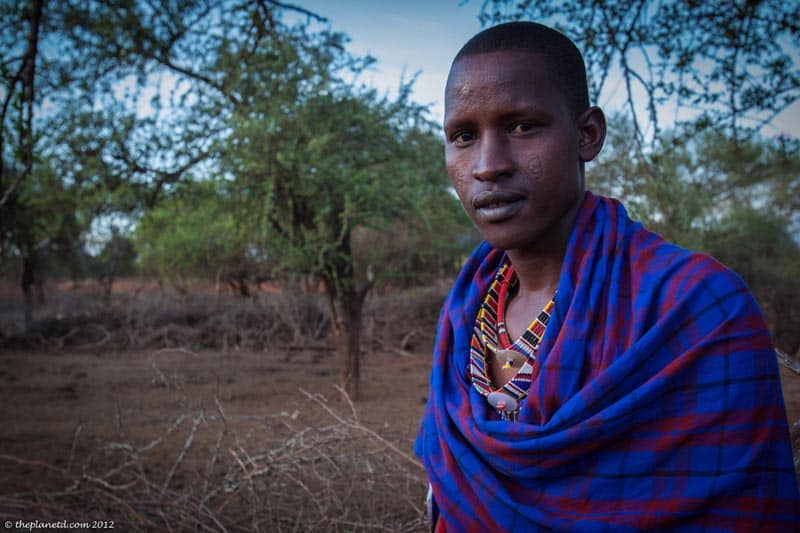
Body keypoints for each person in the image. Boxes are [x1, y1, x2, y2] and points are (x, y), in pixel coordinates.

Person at [415, 21, 800, 531]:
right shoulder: (468, 308)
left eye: (522, 126)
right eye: (463, 136)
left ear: (587, 135)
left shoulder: (696, 305)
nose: (487, 165)